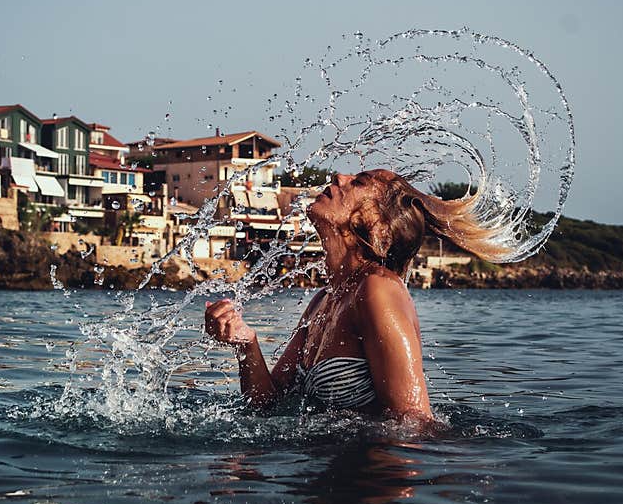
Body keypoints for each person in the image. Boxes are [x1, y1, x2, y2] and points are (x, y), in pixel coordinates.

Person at [204, 169, 511, 423]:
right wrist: (246, 343)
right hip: (323, 482)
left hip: (370, 484)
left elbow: (414, 423)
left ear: (379, 230)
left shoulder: (378, 291)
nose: (339, 177)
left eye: (359, 183)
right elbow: (266, 404)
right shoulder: (324, 301)